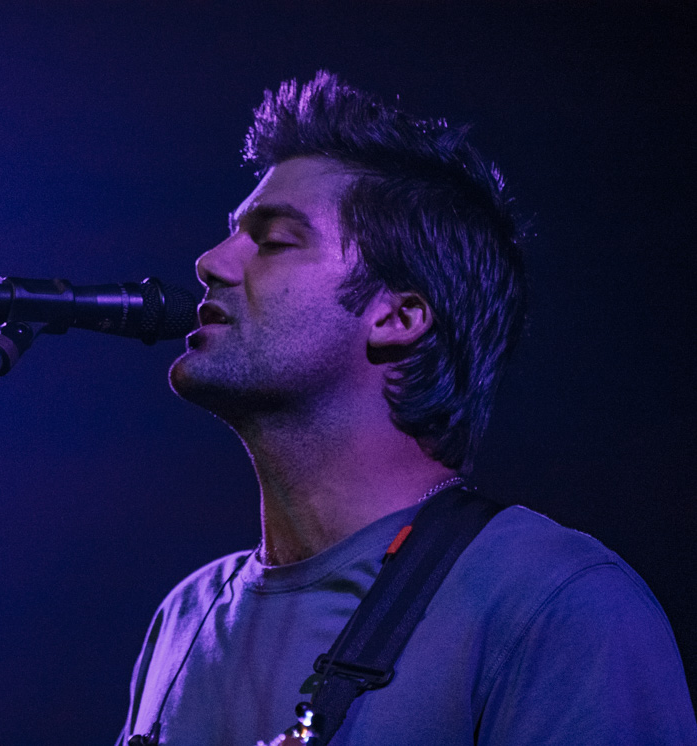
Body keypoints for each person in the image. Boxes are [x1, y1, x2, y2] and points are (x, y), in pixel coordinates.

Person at [116, 72, 696, 745]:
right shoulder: (185, 617)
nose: (210, 262)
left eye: (273, 241)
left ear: (399, 314)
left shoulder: (555, 601)